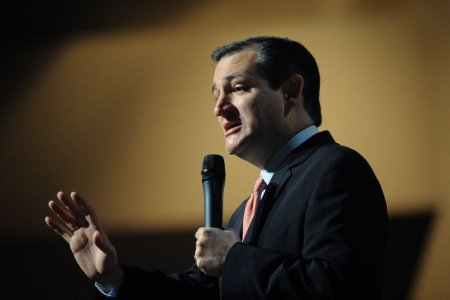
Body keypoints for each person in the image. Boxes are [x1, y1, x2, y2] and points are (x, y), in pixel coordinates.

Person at [45, 36, 389, 299]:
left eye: (237, 89)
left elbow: (339, 286)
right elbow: (205, 292)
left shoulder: (336, 168)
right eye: (215, 95)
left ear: (290, 91)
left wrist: (234, 258)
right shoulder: (244, 212)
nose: (219, 108)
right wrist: (113, 279)